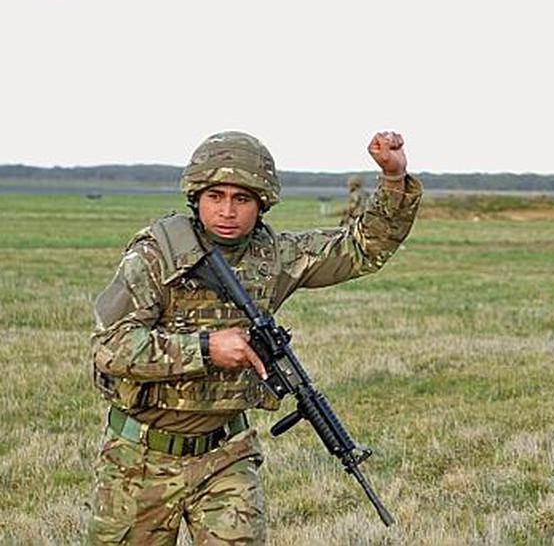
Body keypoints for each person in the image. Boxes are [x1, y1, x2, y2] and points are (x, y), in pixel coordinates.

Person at [87, 130, 421, 544]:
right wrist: (206, 350)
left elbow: (361, 247)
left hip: (226, 455)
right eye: (216, 196)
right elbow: (110, 346)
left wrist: (393, 178)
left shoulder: (275, 256)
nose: (227, 211)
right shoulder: (157, 255)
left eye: (241, 199)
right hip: (139, 460)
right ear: (196, 197)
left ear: (262, 203)